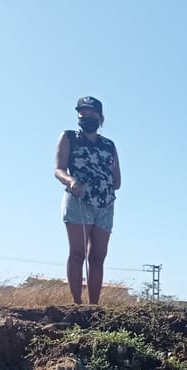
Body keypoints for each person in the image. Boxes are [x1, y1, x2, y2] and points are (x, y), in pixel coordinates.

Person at [54, 96, 120, 305]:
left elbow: (117, 180)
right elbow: (59, 169)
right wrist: (71, 181)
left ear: (100, 117)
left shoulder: (109, 145)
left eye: (91, 113)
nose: (86, 116)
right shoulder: (69, 137)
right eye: (83, 113)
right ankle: (77, 304)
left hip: (105, 204)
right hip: (78, 200)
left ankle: (94, 306)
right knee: (77, 253)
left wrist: (105, 186)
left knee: (98, 257)